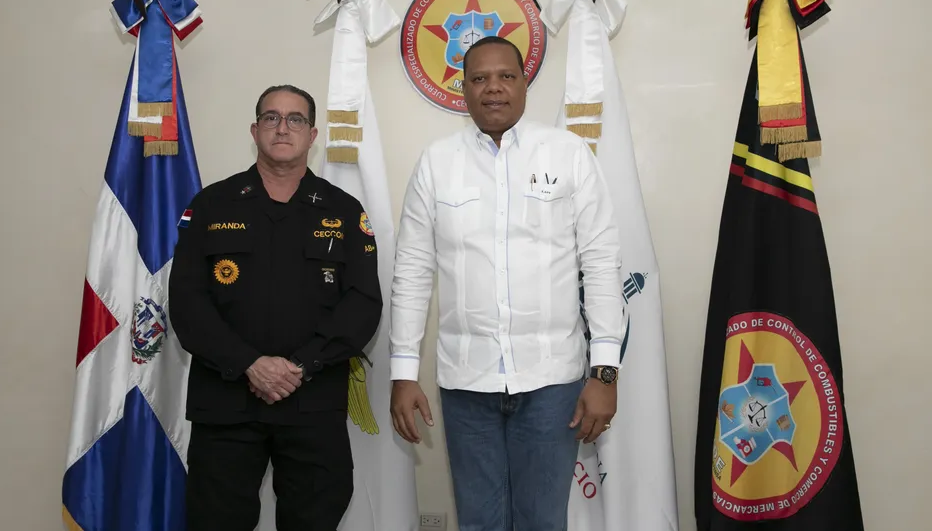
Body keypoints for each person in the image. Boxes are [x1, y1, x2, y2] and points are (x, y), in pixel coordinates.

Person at [388, 36, 626, 530]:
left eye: (505, 77)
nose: (493, 88)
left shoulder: (569, 154)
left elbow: (601, 264)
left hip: (551, 382)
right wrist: (403, 372)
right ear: (463, 88)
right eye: (479, 78)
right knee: (479, 522)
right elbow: (412, 270)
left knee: (542, 521)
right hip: (465, 383)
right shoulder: (436, 162)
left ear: (523, 84)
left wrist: (604, 373)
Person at [168, 84, 382, 531]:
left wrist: (301, 365)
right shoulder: (210, 205)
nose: (283, 128)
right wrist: (249, 364)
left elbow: (362, 304)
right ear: (255, 130)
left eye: (295, 119)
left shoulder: (344, 211)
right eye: (271, 118)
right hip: (226, 404)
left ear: (312, 134)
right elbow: (188, 303)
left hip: (313, 402)